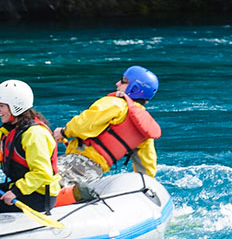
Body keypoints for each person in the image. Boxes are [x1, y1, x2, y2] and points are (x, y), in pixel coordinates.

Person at [56, 65, 162, 200]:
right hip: (95, 173)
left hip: (74, 163)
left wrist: (63, 132)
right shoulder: (144, 128)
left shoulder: (116, 104)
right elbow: (147, 168)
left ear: (134, 88)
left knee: (39, 178)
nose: (117, 83)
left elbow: (84, 125)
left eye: (123, 80)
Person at [0, 79, 59, 215]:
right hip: (23, 188)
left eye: (1, 106)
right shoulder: (10, 130)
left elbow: (42, 173)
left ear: (15, 106)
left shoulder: (34, 134)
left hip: (39, 195)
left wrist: (16, 192)